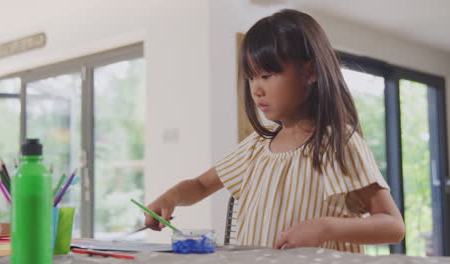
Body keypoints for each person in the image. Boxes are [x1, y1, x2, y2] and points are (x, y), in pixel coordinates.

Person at [143, 9, 405, 253]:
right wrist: (172, 197)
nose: (256, 89)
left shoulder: (337, 143)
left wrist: (326, 227)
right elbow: (200, 185)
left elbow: (393, 226)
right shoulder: (258, 144)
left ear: (310, 72)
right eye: (251, 77)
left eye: (267, 75)